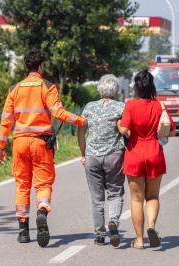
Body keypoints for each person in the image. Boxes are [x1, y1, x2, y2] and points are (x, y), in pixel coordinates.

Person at [0, 48, 87, 247]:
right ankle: (42, 210)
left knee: (22, 184)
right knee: (43, 183)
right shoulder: (47, 86)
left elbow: (5, 120)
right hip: (41, 143)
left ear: (26, 66)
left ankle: (23, 231)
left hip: (19, 142)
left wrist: (0, 147)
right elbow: (59, 113)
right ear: (41, 66)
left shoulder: (14, 89)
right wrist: (81, 120)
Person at [118, 69, 176, 249]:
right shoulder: (160, 106)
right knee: (152, 196)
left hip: (134, 154)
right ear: (152, 86)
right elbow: (172, 131)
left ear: (136, 87)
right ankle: (151, 226)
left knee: (136, 199)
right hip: (154, 154)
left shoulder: (130, 105)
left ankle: (140, 240)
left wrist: (120, 124)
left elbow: (123, 130)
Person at [77, 74, 126, 247]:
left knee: (96, 198)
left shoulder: (89, 107)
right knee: (115, 192)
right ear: (116, 90)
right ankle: (113, 220)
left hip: (92, 156)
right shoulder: (121, 107)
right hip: (114, 156)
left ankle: (99, 234)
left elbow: (81, 131)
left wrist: (83, 154)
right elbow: (126, 130)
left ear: (99, 89)